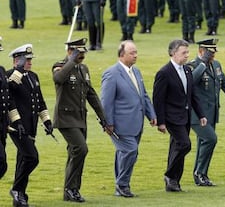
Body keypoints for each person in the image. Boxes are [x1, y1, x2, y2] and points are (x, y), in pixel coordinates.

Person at [52, 38, 110, 202]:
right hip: (65, 118)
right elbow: (58, 79)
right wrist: (70, 61)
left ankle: (71, 191)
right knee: (81, 149)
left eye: (83, 53)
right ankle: (71, 188)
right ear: (70, 52)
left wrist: (103, 118)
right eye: (78, 53)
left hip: (80, 118)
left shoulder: (83, 69)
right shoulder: (60, 66)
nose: (82, 56)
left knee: (75, 154)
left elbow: (91, 95)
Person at [101, 41, 157, 197]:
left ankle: (120, 185)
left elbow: (143, 95)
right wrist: (108, 123)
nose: (135, 55)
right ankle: (122, 184)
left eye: (136, 52)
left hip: (136, 123)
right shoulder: (111, 73)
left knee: (124, 153)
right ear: (121, 54)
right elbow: (106, 101)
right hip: (120, 124)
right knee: (130, 151)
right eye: (132, 53)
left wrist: (151, 114)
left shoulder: (136, 71)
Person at [153, 39, 207, 192]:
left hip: (186, 115)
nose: (187, 56)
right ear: (173, 53)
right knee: (185, 144)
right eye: (183, 53)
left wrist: (201, 114)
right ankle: (170, 175)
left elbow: (192, 94)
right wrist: (161, 122)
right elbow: (158, 99)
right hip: (172, 117)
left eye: (187, 52)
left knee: (176, 147)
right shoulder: (164, 73)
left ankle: (174, 182)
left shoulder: (188, 70)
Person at [188, 39, 225, 186]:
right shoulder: (193, 65)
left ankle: (201, 174)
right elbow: (190, 81)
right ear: (201, 51)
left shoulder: (216, 65)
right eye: (209, 53)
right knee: (210, 139)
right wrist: (202, 64)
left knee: (203, 142)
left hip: (211, 112)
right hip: (196, 113)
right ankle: (200, 173)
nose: (212, 56)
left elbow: (224, 83)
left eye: (213, 53)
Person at [7, 44, 53, 207]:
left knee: (23, 160)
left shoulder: (33, 76)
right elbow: (10, 91)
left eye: (30, 59)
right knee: (31, 157)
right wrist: (18, 70)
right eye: (26, 60)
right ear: (16, 60)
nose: (30, 62)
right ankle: (17, 189)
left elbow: (39, 101)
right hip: (17, 126)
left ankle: (20, 198)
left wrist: (46, 120)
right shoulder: (10, 75)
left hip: (31, 125)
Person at [0, 38, 24, 184]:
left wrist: (17, 121)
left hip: (2, 126)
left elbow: (8, 96)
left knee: (2, 164)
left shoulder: (1, 70)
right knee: (1, 160)